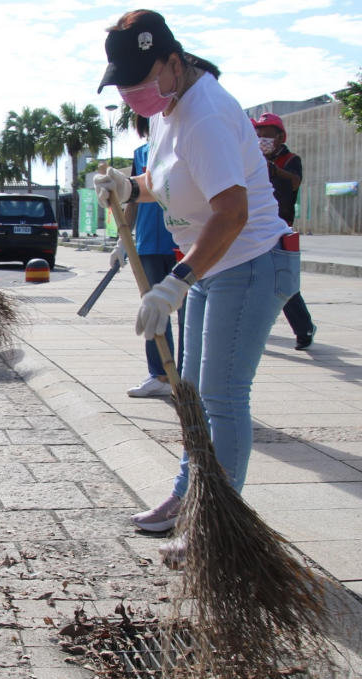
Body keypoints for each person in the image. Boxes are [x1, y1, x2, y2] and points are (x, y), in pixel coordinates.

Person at [93, 11, 299, 552]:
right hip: (213, 263)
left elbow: (231, 212)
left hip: (249, 261)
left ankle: (216, 523)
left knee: (223, 397)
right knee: (191, 392)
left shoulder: (204, 114)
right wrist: (127, 186)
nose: (134, 91)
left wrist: (176, 281)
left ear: (174, 61)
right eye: (125, 83)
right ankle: (187, 495)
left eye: (142, 77)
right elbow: (164, 181)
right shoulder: (168, 108)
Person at [115, 115, 185, 397]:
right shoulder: (141, 154)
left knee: (191, 316)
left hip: (184, 243)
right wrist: (123, 239)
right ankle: (160, 374)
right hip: (148, 244)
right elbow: (132, 197)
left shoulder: (183, 146)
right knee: (154, 312)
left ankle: (190, 376)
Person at [253, 113, 316, 351]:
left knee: (283, 282)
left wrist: (272, 168)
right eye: (258, 134)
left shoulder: (290, 159)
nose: (262, 138)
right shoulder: (251, 159)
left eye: (267, 134)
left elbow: (294, 182)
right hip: (254, 229)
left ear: (280, 136)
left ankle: (303, 329)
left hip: (280, 229)